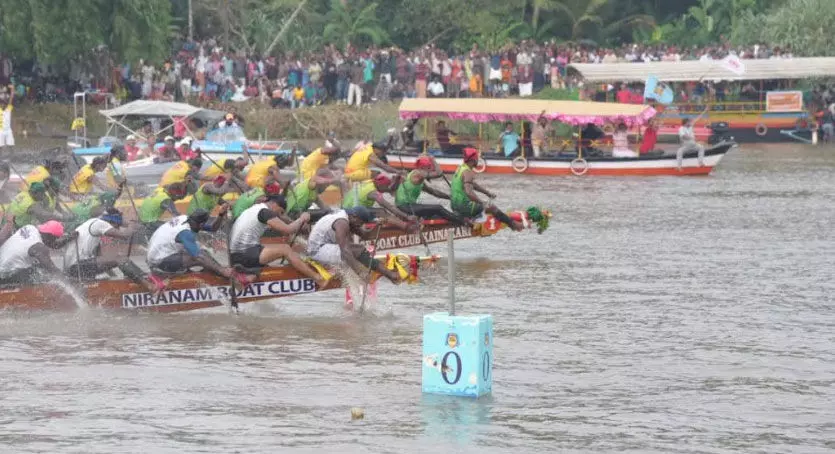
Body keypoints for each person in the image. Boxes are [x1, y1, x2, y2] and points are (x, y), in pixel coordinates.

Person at [229, 194, 327, 287]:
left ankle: (251, 276)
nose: (279, 215)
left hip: (234, 255)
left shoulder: (253, 209)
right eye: (280, 212)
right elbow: (288, 230)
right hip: (244, 254)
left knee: (271, 248)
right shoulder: (265, 212)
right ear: (274, 204)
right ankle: (318, 278)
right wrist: (302, 219)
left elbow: (283, 223)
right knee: (285, 249)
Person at [146, 208, 251, 287]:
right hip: (158, 263)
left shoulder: (187, 219)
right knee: (201, 256)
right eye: (204, 224)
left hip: (161, 257)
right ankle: (225, 275)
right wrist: (222, 270)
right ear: (201, 224)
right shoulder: (185, 232)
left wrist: (220, 215)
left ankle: (215, 274)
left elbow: (213, 228)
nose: (203, 227)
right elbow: (198, 256)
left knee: (204, 256)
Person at [63, 209, 162, 292]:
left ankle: (140, 278)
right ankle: (150, 286)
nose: (117, 229)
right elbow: (125, 235)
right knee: (119, 258)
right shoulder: (100, 224)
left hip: (76, 268)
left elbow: (102, 259)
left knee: (117, 258)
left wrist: (113, 277)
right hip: (76, 267)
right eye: (117, 226)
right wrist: (132, 225)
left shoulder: (94, 226)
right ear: (111, 221)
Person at [306, 207, 402, 283]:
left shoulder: (349, 217)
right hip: (317, 251)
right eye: (360, 223)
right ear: (354, 216)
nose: (359, 226)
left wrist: (378, 225)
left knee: (358, 249)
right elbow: (345, 251)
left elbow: (365, 235)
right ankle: (389, 274)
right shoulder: (342, 223)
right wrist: (360, 273)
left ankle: (378, 267)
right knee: (356, 249)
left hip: (324, 247)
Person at [451, 148, 522, 230]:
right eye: (477, 158)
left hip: (454, 206)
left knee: (480, 204)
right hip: (463, 207)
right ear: (473, 159)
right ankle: (513, 225)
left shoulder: (460, 168)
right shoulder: (468, 172)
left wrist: (487, 193)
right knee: (492, 207)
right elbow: (469, 192)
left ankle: (468, 217)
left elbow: (472, 184)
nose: (478, 160)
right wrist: (483, 203)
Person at [395, 155, 472, 226]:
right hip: (405, 206)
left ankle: (424, 221)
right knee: (438, 208)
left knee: (436, 212)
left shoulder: (418, 180)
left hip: (410, 206)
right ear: (422, 167)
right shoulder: (417, 173)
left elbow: (434, 192)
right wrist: (432, 159)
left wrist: (450, 197)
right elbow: (439, 173)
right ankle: (463, 222)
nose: (430, 170)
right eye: (429, 168)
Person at [0, 221, 76, 285]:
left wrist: (68, 239)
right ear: (50, 236)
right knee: (40, 276)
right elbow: (52, 269)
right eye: (56, 238)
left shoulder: (30, 227)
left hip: (2, 264)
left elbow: (52, 244)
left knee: (38, 266)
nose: (55, 240)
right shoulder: (38, 247)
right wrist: (70, 282)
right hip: (6, 275)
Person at [342, 173, 417, 224]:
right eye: (386, 187)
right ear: (381, 185)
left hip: (345, 209)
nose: (386, 190)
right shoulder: (373, 193)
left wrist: (397, 178)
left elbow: (391, 181)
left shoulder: (370, 181)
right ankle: (404, 225)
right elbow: (389, 206)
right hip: (352, 213)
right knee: (382, 211)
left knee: (378, 210)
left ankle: (388, 220)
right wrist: (407, 216)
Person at [8, 182, 73, 229]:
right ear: (35, 193)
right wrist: (63, 219)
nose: (44, 196)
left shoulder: (24, 193)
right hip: (18, 227)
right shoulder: (30, 204)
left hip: (10, 220)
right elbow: (44, 216)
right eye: (42, 194)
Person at [0, 84, 14, 151]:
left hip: (8, 130)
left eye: (4, 104)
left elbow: (11, 98)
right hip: (0, 131)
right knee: (0, 146)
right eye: (1, 104)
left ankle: (12, 156)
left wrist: (12, 89)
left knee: (10, 145)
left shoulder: (8, 108)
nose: (3, 105)